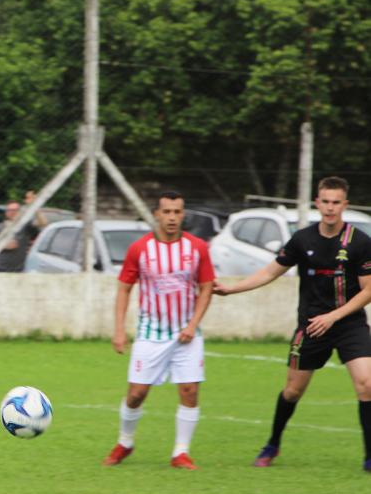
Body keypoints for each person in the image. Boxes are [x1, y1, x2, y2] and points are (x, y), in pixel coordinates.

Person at [214, 176, 371, 472]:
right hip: (311, 326)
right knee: (293, 391)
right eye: (325, 202)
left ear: (345, 205)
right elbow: (269, 273)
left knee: (367, 384)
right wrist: (231, 289)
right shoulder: (303, 239)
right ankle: (272, 443)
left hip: (349, 324)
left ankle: (369, 457)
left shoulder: (359, 242)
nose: (330, 208)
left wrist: (334, 316)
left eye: (336, 203)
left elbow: (369, 290)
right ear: (317, 203)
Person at [103, 191, 215, 470]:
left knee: (189, 391)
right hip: (150, 333)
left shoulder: (197, 248)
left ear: (183, 214)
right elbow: (124, 288)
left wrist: (192, 325)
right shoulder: (140, 249)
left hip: (186, 334)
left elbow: (206, 288)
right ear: (156, 214)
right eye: (167, 212)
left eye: (177, 212)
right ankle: (125, 443)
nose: (172, 218)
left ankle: (181, 452)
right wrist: (119, 330)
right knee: (136, 394)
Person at [0, 195, 46, 272]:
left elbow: (43, 223)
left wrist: (35, 207)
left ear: (20, 211)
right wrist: (5, 245)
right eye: (10, 210)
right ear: (6, 212)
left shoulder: (25, 225)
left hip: (19, 270)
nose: (13, 212)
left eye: (15, 210)